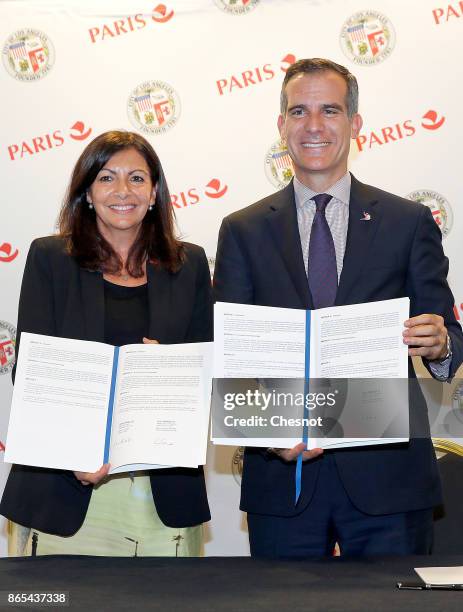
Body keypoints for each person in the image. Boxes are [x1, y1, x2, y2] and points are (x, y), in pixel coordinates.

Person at [213, 58, 463, 557]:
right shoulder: (242, 230)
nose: (313, 125)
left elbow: (450, 342)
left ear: (355, 123)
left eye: (329, 109)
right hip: (285, 476)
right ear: (281, 125)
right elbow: (231, 359)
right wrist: (268, 435)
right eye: (298, 111)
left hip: (389, 479)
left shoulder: (407, 221)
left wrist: (439, 343)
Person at [0, 130, 212, 557]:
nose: (122, 191)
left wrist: (168, 372)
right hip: (65, 487)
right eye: (106, 177)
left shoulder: (188, 266)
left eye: (136, 178)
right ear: (87, 193)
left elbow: (205, 374)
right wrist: (72, 452)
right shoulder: (50, 259)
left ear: (154, 192)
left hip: (162, 493)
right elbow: (34, 374)